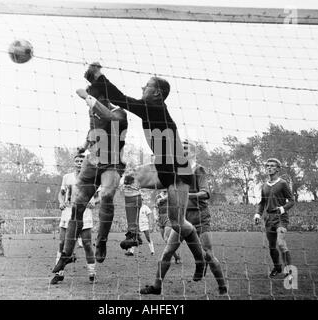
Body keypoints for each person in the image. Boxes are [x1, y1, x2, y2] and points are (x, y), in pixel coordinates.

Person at [79, 63, 206, 281]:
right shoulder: (151, 107)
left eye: (146, 86)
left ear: (156, 93)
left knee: (177, 222)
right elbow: (120, 99)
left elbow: (120, 99)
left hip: (178, 170)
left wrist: (98, 79)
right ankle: (133, 233)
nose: (142, 87)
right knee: (129, 179)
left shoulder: (154, 107)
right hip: (161, 167)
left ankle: (200, 259)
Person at [53, 63, 128, 273]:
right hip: (91, 163)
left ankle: (101, 241)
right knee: (76, 208)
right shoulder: (93, 111)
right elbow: (92, 129)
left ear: (102, 97)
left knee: (106, 195)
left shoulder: (119, 112)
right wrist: (84, 146)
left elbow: (108, 117)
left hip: (112, 163)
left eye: (95, 97)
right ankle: (66, 255)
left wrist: (87, 97)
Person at [140, 140, 227, 295]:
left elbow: (206, 193)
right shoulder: (177, 172)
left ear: (193, 152)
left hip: (200, 218)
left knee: (208, 254)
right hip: (181, 218)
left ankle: (222, 286)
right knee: (167, 252)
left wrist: (186, 194)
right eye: (181, 149)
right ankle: (156, 287)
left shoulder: (198, 169)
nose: (182, 151)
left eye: (186, 148)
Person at [51, 153, 96, 284]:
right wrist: (60, 202)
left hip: (85, 213)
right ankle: (59, 274)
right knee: (61, 243)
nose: (79, 162)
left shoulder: (92, 177)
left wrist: (94, 202)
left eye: (82, 160)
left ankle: (92, 272)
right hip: (67, 213)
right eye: (77, 160)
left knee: (87, 244)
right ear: (74, 162)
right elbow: (62, 193)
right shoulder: (67, 177)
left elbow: (99, 196)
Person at [254, 158, 295, 278]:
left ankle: (289, 272)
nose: (269, 168)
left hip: (281, 218)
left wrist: (282, 209)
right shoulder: (264, 185)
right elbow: (262, 203)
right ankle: (277, 268)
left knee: (281, 244)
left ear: (278, 168)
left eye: (272, 166)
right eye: (267, 166)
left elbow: (292, 201)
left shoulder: (282, 183)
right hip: (268, 219)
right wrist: (257, 214)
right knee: (272, 246)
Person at [154, 190, 181, 264]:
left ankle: (165, 257)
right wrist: (155, 216)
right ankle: (177, 257)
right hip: (160, 219)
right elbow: (156, 207)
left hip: (168, 217)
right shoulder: (158, 196)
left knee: (166, 238)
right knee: (166, 240)